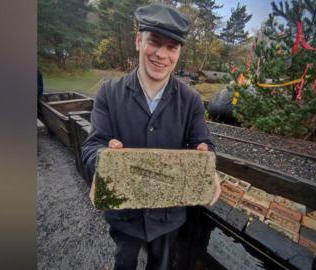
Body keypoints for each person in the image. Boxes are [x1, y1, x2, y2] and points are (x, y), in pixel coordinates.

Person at [81, 4, 221, 270]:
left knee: (162, 265)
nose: (161, 55)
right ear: (138, 40)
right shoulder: (108, 93)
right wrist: (102, 161)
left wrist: (208, 166)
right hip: (124, 213)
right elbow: (92, 146)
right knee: (124, 262)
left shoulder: (191, 100)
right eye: (154, 43)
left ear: (179, 52)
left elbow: (204, 144)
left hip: (169, 215)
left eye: (172, 47)